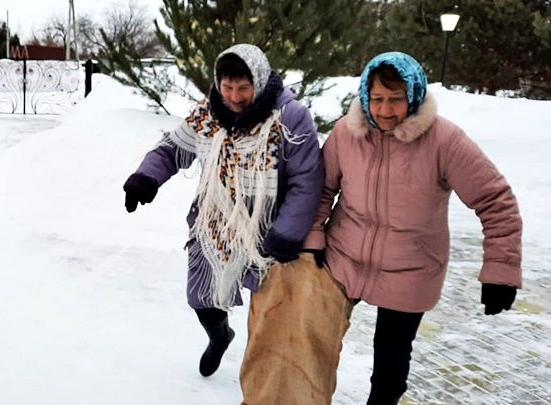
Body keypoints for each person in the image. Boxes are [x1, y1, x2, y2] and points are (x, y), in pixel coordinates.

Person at [303, 51, 522, 405]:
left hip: (411, 267)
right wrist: (314, 237)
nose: (385, 110)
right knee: (315, 341)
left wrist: (501, 270)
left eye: (396, 99)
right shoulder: (347, 132)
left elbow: (495, 201)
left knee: (389, 365)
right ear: (364, 97)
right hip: (344, 255)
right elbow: (321, 189)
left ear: (414, 95)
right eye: (376, 99)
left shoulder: (444, 140)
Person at [122, 44, 323, 379]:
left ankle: (265, 383)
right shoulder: (208, 113)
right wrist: (145, 179)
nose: (235, 96)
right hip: (214, 223)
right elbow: (173, 148)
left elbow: (307, 180)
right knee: (200, 297)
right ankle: (220, 336)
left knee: (269, 315)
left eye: (244, 87)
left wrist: (286, 234)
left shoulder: (289, 118)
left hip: (268, 234)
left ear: (258, 82)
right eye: (227, 87)